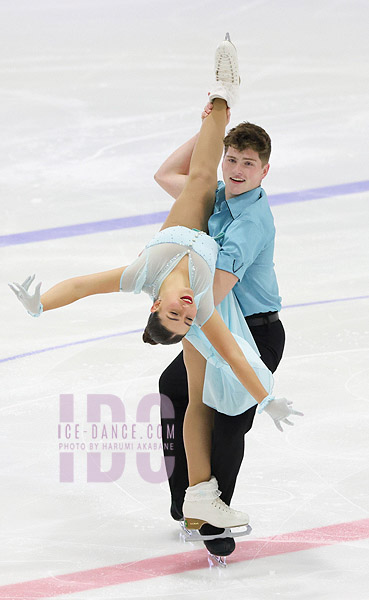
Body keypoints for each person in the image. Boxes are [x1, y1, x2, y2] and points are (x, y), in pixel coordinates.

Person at [9, 36, 300, 535]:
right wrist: (265, 394)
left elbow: (81, 285)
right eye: (184, 318)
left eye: (175, 314)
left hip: (220, 287)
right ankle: (197, 498)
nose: (184, 309)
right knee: (185, 394)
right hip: (219, 301)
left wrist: (41, 303)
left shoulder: (148, 271)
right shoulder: (200, 303)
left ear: (153, 308)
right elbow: (227, 350)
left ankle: (224, 92)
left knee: (200, 178)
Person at [156, 104, 292, 558]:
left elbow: (213, 292)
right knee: (174, 389)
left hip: (252, 330)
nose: (236, 169)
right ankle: (188, 498)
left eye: (247, 164)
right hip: (220, 321)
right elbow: (169, 174)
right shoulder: (220, 195)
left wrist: (171, 297)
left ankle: (215, 515)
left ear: (264, 171)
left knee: (227, 422)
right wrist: (208, 129)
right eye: (230, 158)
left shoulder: (250, 221)